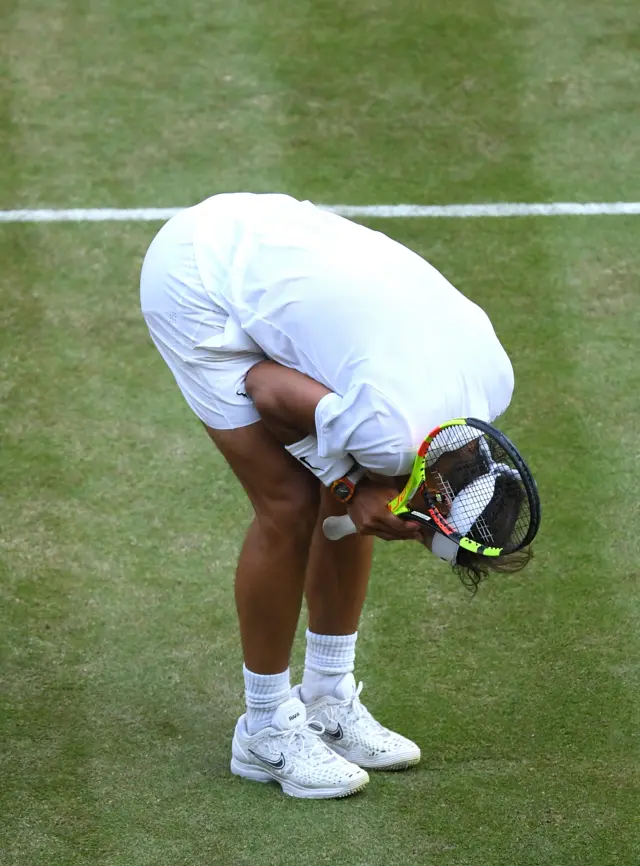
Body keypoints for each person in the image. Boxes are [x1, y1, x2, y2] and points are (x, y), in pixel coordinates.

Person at [140, 192, 526, 800]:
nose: (413, 533)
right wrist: (348, 486)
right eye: (424, 529)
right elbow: (265, 388)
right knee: (290, 504)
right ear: (437, 497)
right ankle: (263, 731)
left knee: (342, 491)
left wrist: (355, 488)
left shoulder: (491, 384)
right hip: (197, 277)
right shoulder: (392, 439)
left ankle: (326, 698)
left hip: (267, 238)